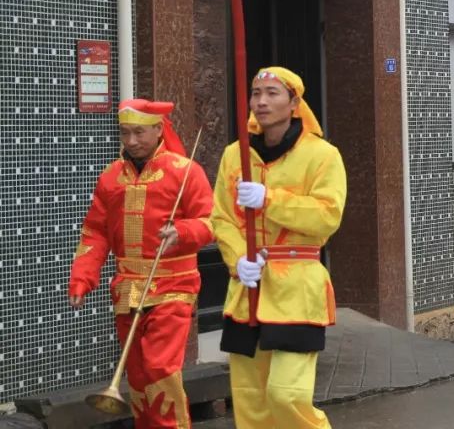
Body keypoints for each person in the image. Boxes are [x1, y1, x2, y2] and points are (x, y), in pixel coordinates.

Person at [211, 67, 346, 428]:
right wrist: (238, 259)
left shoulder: (323, 155)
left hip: (297, 290)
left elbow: (327, 216)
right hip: (247, 289)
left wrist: (270, 199)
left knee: (286, 395)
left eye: (272, 93)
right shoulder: (234, 156)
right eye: (256, 93)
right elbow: (221, 217)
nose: (261, 101)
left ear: (294, 102)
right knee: (251, 402)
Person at [69, 99, 213, 428]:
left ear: (158, 129)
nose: (131, 141)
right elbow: (95, 231)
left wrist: (182, 231)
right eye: (124, 133)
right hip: (128, 289)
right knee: (135, 373)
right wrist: (82, 277)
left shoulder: (185, 171)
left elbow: (211, 222)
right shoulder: (110, 177)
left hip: (174, 285)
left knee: (160, 368)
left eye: (139, 132)